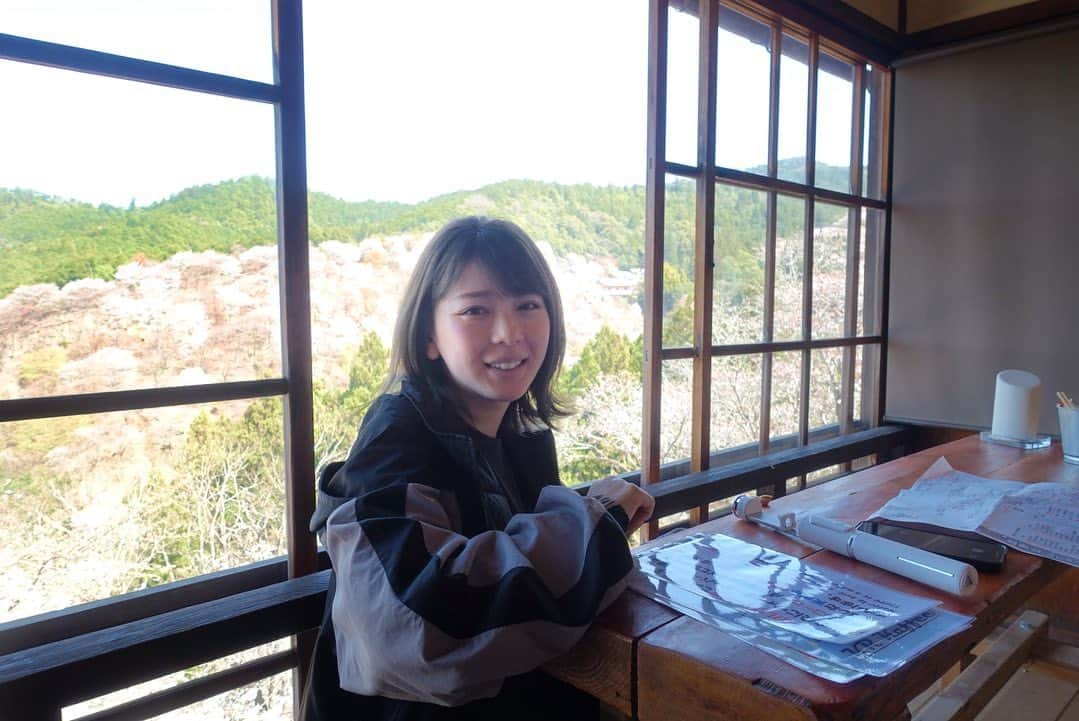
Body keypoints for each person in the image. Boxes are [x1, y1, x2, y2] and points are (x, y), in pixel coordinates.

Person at [303, 216, 655, 721]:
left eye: (528, 306)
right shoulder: (395, 441)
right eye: (476, 310)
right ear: (429, 335)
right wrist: (595, 517)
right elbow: (418, 626)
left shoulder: (520, 435)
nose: (509, 333)